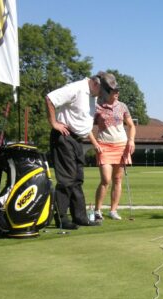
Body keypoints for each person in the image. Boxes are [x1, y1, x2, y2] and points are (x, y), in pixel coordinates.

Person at [46, 73, 105, 229]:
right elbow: (50, 98)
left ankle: (79, 216)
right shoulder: (76, 88)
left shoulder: (94, 94)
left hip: (77, 140)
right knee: (67, 178)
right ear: (95, 83)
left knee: (77, 178)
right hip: (64, 136)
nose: (102, 95)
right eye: (102, 91)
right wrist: (54, 122)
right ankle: (61, 218)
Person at [93, 74, 136, 221]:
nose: (117, 93)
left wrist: (131, 140)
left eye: (118, 91)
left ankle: (113, 210)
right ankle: (97, 210)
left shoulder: (122, 106)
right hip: (104, 146)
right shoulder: (97, 106)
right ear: (106, 92)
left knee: (117, 179)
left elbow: (131, 125)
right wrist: (95, 143)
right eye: (114, 91)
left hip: (121, 146)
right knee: (106, 179)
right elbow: (86, 127)